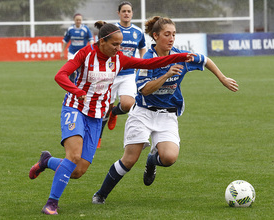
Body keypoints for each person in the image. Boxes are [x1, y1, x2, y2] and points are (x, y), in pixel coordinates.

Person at [29, 20, 195, 215]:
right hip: (75, 108)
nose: (119, 49)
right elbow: (61, 75)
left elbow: (148, 62)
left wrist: (182, 56)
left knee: (77, 171)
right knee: (73, 156)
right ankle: (51, 203)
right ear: (102, 41)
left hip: (96, 115)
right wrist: (76, 91)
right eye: (115, 45)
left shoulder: (119, 59)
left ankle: (47, 161)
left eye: (120, 45)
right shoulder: (85, 54)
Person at [92, 16, 239, 205]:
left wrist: (223, 78)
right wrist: (167, 75)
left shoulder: (180, 55)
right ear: (155, 36)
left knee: (169, 158)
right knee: (129, 160)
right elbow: (144, 90)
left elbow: (205, 60)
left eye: (174, 34)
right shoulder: (148, 59)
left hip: (167, 114)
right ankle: (101, 194)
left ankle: (152, 161)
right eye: (167, 34)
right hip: (143, 113)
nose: (171, 38)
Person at [97, 1, 146, 148]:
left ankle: (115, 113)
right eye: (123, 11)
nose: (126, 13)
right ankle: (98, 137)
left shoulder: (138, 32)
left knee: (128, 104)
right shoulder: (112, 30)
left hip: (128, 74)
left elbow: (142, 47)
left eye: (129, 11)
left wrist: (140, 62)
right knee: (104, 108)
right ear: (118, 13)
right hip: (110, 74)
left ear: (132, 14)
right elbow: (100, 46)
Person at [60, 13, 94, 82]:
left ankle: (81, 83)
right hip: (72, 52)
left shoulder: (85, 29)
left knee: (83, 69)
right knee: (71, 69)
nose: (78, 21)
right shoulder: (70, 29)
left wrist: (92, 49)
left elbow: (91, 40)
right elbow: (65, 41)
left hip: (83, 53)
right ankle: (71, 85)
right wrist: (62, 52)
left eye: (80, 20)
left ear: (81, 20)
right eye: (77, 20)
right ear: (74, 20)